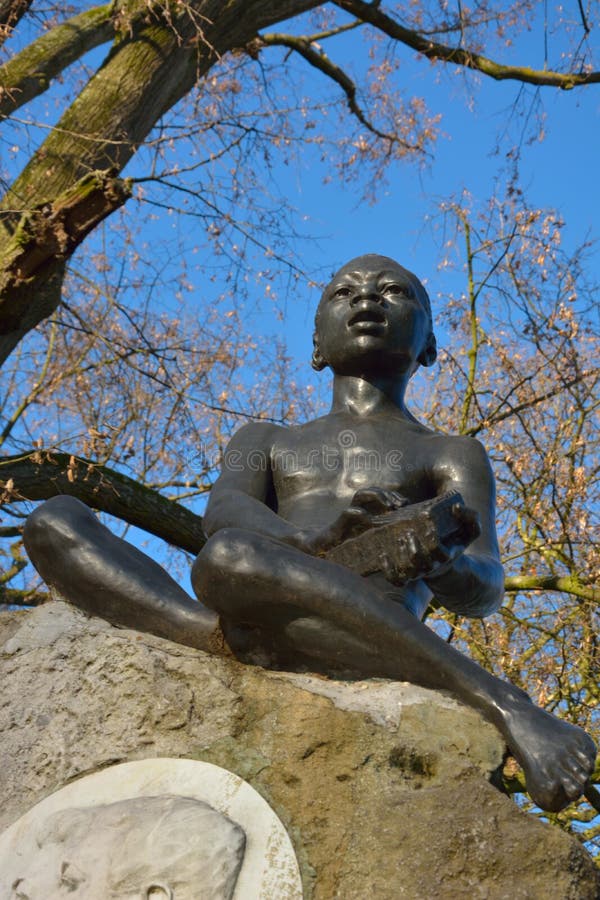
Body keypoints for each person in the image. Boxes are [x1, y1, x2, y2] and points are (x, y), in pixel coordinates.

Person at [24, 254, 596, 813]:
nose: (367, 298)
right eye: (344, 292)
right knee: (55, 521)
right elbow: (222, 511)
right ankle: (245, 639)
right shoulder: (266, 438)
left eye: (394, 291)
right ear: (317, 346)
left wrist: (441, 562)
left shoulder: (449, 452)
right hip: (249, 596)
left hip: (365, 635)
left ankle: (504, 704)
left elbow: (487, 586)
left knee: (228, 559)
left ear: (429, 345)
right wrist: (315, 542)